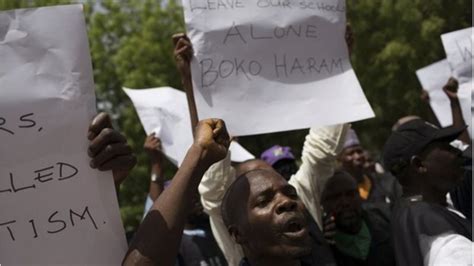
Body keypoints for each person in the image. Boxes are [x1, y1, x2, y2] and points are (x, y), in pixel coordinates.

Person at [123, 118, 231, 265]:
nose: (195, 199)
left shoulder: (210, 230)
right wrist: (157, 163)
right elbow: (156, 218)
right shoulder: (170, 243)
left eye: (195, 194)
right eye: (189, 194)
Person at [382, 118, 472, 266]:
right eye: (446, 147)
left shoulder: (411, 207)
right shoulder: (447, 243)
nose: (457, 151)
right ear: (419, 164)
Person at [321, 171, 395, 266]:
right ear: (323, 204)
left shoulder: (384, 221)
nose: (345, 202)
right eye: (335, 197)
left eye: (350, 194)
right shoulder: (322, 247)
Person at [338, 129, 401, 205]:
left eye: (359, 151)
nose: (357, 156)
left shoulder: (385, 183)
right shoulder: (339, 192)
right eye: (350, 153)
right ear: (340, 159)